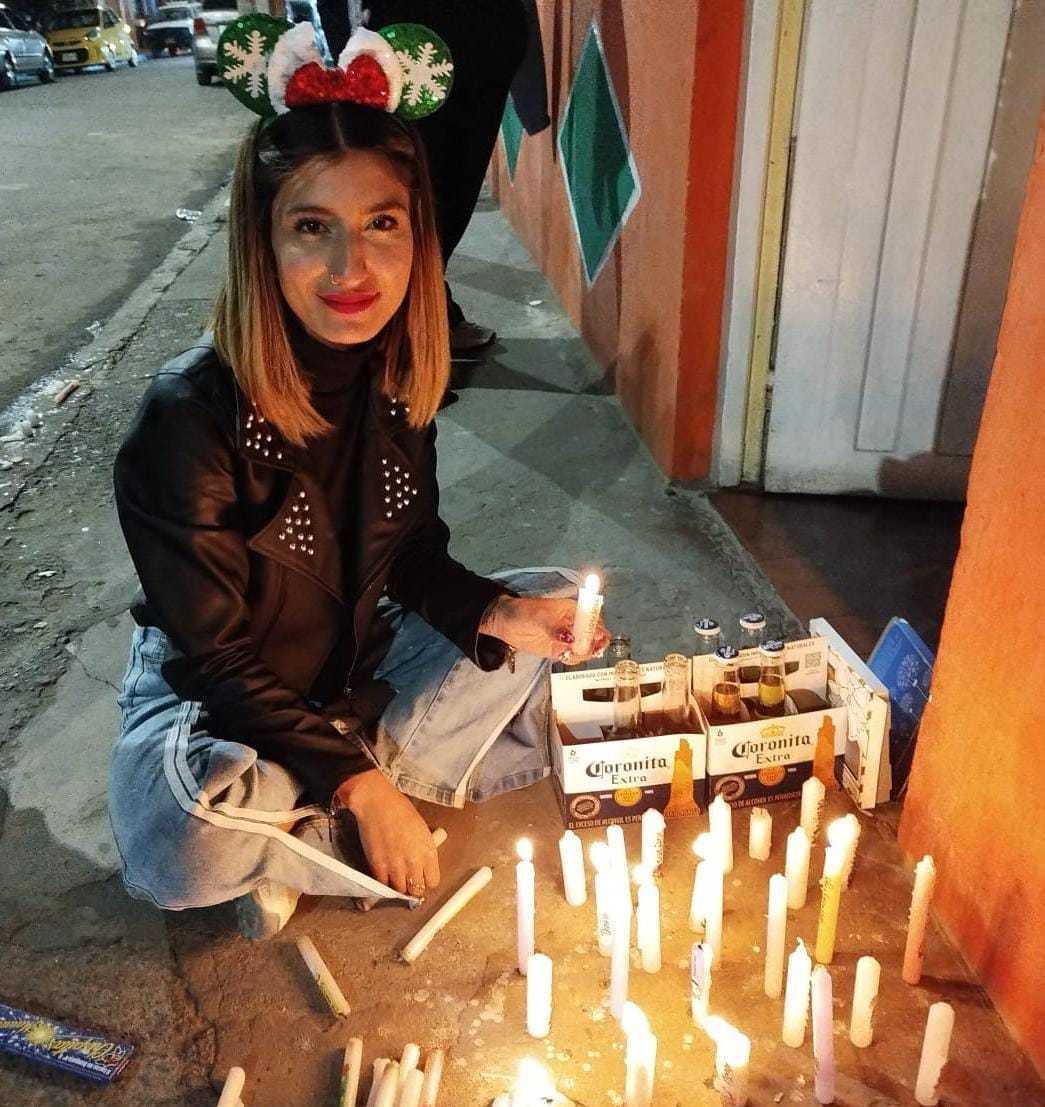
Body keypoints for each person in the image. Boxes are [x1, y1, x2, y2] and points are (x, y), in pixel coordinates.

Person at [108, 51, 608, 940]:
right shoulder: (186, 416)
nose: (353, 265)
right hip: (217, 698)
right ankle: (349, 795)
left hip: (349, 664)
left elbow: (409, 554)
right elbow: (216, 661)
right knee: (188, 832)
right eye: (312, 226)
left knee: (546, 607)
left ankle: (306, 824)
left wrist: (501, 613)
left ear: (419, 236)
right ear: (262, 242)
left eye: (382, 222)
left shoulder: (398, 377)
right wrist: (364, 784)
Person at [317, 0, 542, 356]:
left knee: (450, 193)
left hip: (482, 36)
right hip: (402, 37)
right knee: (402, 195)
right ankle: (403, 334)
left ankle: (423, 314)